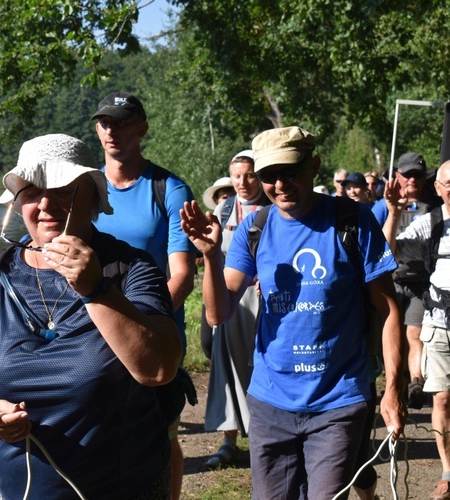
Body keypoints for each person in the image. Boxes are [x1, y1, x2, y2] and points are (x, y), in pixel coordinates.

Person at [0, 134, 182, 499]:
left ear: (94, 199)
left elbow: (158, 369)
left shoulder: (130, 268)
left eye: (64, 189)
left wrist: (95, 288)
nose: (45, 203)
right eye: (31, 191)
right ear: (17, 204)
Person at [180, 126, 406, 499]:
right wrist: (209, 256)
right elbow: (219, 314)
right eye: (268, 175)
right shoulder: (254, 229)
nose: (279, 184)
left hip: (339, 401)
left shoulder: (353, 221)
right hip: (271, 402)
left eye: (290, 171)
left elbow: (389, 310)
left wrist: (393, 389)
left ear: (313, 165)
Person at [89, 92, 196, 500]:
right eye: (104, 122)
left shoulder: (168, 189)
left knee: (160, 437)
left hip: (152, 330)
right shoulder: (86, 186)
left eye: (121, 121)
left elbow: (182, 275)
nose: (111, 130)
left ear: (142, 128)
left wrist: (137, 326)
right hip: (92, 334)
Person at [383, 160, 450, 499]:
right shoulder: (431, 222)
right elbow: (385, 252)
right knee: (443, 397)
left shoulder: (431, 213)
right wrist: (393, 214)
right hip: (439, 319)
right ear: (437, 188)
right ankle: (447, 473)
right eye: (447, 183)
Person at [203, 150, 270, 468]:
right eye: (237, 176)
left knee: (264, 366)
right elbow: (213, 254)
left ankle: (265, 436)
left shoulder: (274, 208)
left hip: (268, 301)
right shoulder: (224, 208)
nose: (243, 182)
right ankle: (229, 439)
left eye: (250, 175)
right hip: (231, 301)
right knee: (226, 366)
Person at [373, 152, 441, 409]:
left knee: (415, 333)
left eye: (417, 175)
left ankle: (416, 382)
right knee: (392, 336)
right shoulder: (382, 207)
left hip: (421, 285)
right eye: (407, 174)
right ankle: (394, 384)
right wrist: (393, 212)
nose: (412, 179)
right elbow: (380, 251)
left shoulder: (435, 209)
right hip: (389, 282)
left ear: (425, 179)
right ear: (397, 176)